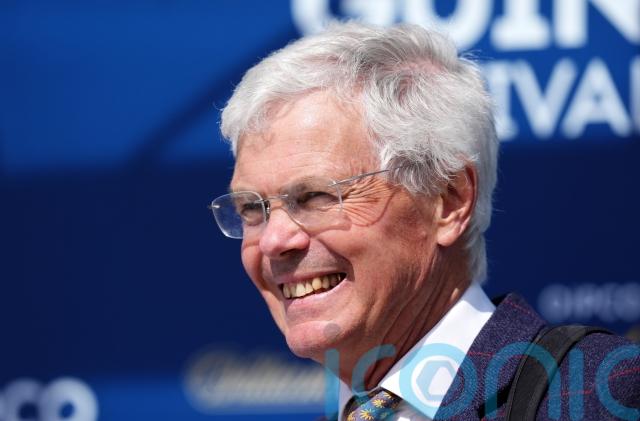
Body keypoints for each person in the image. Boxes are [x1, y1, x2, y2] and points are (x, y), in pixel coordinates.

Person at [210, 22, 640, 420]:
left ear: (448, 201)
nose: (274, 240)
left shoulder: (600, 394)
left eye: (316, 196)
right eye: (252, 208)